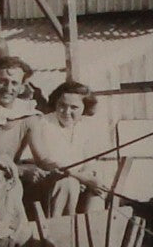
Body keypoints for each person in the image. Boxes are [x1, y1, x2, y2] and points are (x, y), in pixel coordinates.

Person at [17, 80, 116, 215]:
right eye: (62, 105)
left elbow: (89, 164)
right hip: (42, 187)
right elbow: (44, 162)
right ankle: (61, 231)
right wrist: (80, 178)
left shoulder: (86, 127)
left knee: (97, 189)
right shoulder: (41, 123)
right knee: (68, 184)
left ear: (84, 108)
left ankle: (89, 233)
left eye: (74, 107)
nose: (66, 112)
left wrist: (87, 178)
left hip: (77, 183)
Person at [0, 55, 41, 158]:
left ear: (21, 88)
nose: (8, 88)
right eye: (3, 81)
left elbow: (41, 157)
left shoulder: (28, 115)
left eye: (14, 83)